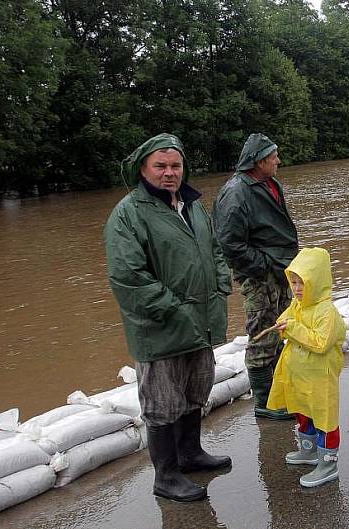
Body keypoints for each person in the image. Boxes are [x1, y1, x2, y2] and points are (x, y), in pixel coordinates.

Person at [105, 133, 232, 503]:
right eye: (160, 166)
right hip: (161, 328)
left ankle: (190, 454)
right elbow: (129, 278)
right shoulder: (128, 215)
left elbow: (213, 248)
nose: (169, 173)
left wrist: (221, 280)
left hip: (201, 320)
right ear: (143, 168)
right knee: (161, 403)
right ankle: (166, 475)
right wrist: (173, 308)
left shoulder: (192, 206)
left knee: (197, 389)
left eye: (175, 166)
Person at [213, 133, 299, 421]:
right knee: (262, 334)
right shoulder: (236, 192)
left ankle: (279, 393)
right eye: (273, 156)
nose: (278, 160)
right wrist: (262, 265)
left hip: (279, 270)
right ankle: (265, 403)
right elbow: (229, 243)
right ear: (259, 160)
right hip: (259, 276)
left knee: (280, 329)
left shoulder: (268, 183)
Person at [267, 247, 347, 488]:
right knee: (304, 412)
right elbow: (288, 318)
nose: (297, 289)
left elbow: (321, 343)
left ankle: (328, 464)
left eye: (302, 283)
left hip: (320, 379)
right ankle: (309, 451)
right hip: (300, 377)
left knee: (324, 419)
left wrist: (291, 328)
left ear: (318, 282)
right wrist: (282, 322)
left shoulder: (327, 312)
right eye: (294, 282)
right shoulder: (297, 305)